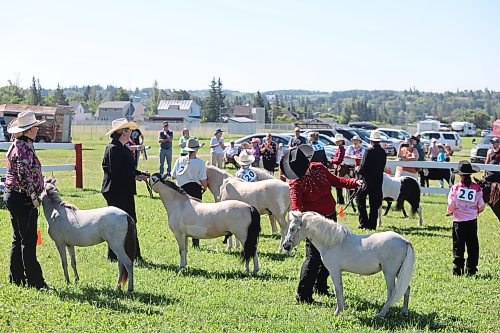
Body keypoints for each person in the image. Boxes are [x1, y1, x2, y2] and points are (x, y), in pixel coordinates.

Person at [280, 144, 363, 304]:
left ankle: (321, 286)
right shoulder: (295, 183)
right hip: (314, 226)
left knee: (331, 253)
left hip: (330, 218)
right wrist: (297, 214)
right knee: (313, 258)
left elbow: (336, 180)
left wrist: (354, 183)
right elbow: (296, 205)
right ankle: (303, 295)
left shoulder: (319, 167)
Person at [3, 111, 48, 290]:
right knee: (28, 240)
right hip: (22, 197)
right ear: (29, 130)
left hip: (14, 195)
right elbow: (24, 175)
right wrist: (34, 197)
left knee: (19, 237)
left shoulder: (20, 144)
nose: (37, 128)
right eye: (35, 126)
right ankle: (35, 281)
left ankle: (17, 277)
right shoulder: (23, 148)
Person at [102, 118, 149, 261]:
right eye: (129, 131)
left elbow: (128, 169)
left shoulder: (123, 148)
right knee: (118, 224)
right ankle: (115, 256)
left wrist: (139, 173)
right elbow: (116, 172)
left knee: (130, 222)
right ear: (123, 133)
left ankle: (133, 254)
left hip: (125, 190)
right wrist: (135, 177)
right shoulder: (113, 149)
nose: (131, 133)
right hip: (116, 191)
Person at [447, 161, 485, 276]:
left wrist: (450, 212)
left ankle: (457, 268)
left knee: (458, 244)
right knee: (472, 245)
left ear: (460, 175)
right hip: (472, 221)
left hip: (458, 221)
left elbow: (451, 204)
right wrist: (474, 212)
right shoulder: (477, 188)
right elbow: (481, 206)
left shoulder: (455, 188)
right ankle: (471, 269)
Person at [171, 137, 207, 248]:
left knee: (182, 215)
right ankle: (196, 242)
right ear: (196, 150)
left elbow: (173, 176)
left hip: (181, 191)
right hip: (195, 190)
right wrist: (204, 189)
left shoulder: (179, 160)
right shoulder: (200, 163)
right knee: (197, 216)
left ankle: (182, 238)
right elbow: (204, 181)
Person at [356, 131, 387, 230]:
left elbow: (363, 167)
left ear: (371, 141)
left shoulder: (368, 151)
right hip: (377, 181)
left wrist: (357, 170)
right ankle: (372, 225)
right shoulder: (383, 152)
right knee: (374, 204)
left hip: (366, 181)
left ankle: (364, 223)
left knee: (360, 200)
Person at [331, 133, 346, 205]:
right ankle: (340, 200)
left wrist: (332, 160)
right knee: (337, 185)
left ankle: (340, 200)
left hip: (339, 167)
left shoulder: (341, 148)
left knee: (338, 184)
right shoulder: (340, 148)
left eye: (338, 141)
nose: (337, 142)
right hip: (337, 167)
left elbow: (339, 159)